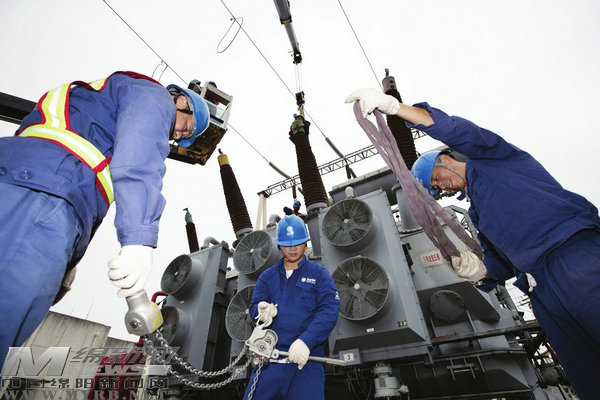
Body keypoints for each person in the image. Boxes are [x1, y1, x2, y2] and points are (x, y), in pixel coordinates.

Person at [346, 88, 600, 400]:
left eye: (436, 178)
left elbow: (458, 130)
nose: (441, 186)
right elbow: (500, 266)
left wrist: (396, 108)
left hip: (572, 256)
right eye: (435, 188)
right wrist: (479, 272)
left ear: (445, 158)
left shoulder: (494, 158)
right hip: (541, 289)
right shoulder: (479, 216)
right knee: (588, 374)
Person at [0, 71, 210, 369]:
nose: (178, 137)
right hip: (46, 192)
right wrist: (138, 240)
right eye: (185, 128)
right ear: (180, 101)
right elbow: (139, 160)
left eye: (183, 138)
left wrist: (69, 255)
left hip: (29, 186)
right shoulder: (154, 96)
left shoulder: (99, 111)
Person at [243, 215, 340, 400]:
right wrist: (260, 312)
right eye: (287, 244)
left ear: (305, 243)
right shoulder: (267, 277)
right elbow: (254, 308)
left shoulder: (319, 274)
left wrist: (306, 341)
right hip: (268, 364)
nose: (293, 248)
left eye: (297, 243)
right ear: (279, 246)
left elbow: (329, 310)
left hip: (305, 363)